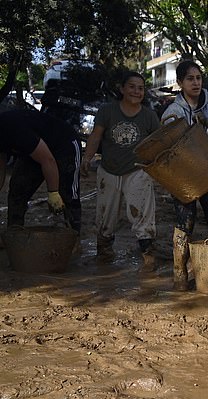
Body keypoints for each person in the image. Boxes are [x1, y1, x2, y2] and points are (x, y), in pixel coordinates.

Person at [81, 71, 160, 272]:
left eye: (141, 88)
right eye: (132, 87)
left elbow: (159, 143)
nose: (136, 91)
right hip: (108, 170)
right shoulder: (107, 111)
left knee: (142, 214)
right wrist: (87, 157)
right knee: (105, 216)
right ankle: (104, 253)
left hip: (138, 172)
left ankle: (148, 258)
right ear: (122, 89)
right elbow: (96, 137)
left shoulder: (149, 116)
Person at [161, 61, 208, 291]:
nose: (196, 82)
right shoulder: (173, 112)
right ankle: (180, 276)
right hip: (184, 180)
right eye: (190, 79)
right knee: (183, 226)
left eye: (198, 78)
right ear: (180, 83)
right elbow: (166, 148)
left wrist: (206, 122)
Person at [0, 109, 81, 232]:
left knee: (67, 195)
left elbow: (48, 161)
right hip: (33, 151)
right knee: (17, 190)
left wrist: (53, 192)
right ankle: (14, 235)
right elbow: (0, 168)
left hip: (63, 145)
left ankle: (73, 237)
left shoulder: (15, 129)